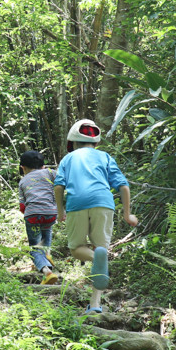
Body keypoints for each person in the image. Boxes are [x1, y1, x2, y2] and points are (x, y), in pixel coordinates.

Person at [54, 119, 138, 314]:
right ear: (96, 142)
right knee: (102, 252)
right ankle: (94, 305)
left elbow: (58, 186)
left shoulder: (69, 159)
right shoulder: (105, 156)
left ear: (73, 143)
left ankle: (94, 261)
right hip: (104, 203)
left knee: (76, 249)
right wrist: (127, 214)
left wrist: (60, 211)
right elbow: (123, 186)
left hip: (77, 204)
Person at [18, 150, 60, 285]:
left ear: (23, 168)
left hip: (32, 215)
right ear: (43, 166)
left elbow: (22, 207)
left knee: (35, 247)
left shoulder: (23, 181)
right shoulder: (49, 173)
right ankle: (47, 255)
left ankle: (47, 272)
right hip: (50, 213)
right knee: (46, 231)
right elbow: (62, 181)